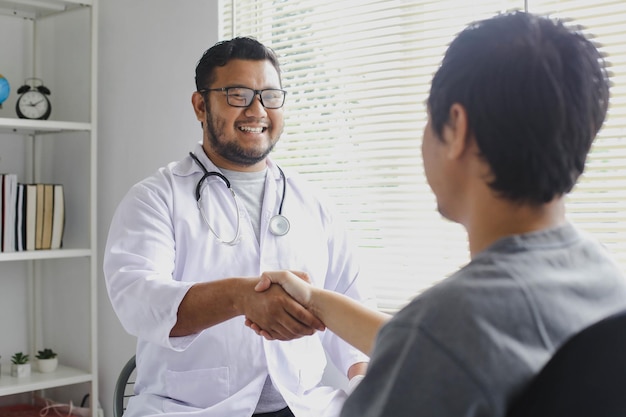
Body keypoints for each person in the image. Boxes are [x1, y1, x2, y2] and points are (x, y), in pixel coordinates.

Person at [250, 11, 626, 417]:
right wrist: (316, 301)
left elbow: (436, 343)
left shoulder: (447, 328)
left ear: (457, 128)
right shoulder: (605, 278)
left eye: (430, 118)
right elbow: (447, 347)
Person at [103, 36, 369, 417]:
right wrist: (240, 297)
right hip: (190, 408)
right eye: (238, 95)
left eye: (270, 96)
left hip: (303, 405)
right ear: (200, 105)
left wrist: (364, 381)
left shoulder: (314, 202)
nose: (257, 110)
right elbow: (139, 301)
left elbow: (352, 300)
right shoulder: (154, 198)